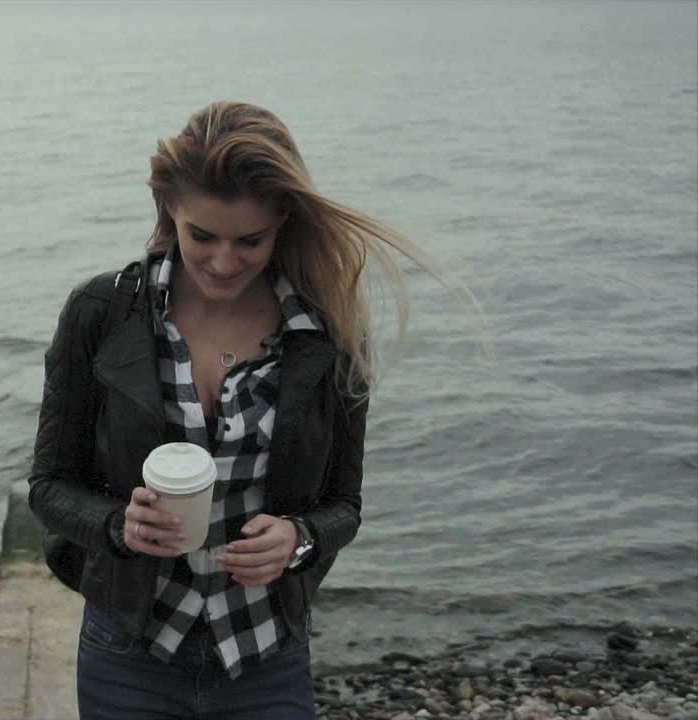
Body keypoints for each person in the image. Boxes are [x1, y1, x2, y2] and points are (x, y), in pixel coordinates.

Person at [28, 100, 448, 720]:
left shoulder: (327, 333)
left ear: (282, 221)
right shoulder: (101, 313)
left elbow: (344, 507)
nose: (224, 262)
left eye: (249, 240)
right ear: (169, 208)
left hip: (266, 653)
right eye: (203, 235)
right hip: (127, 650)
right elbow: (48, 486)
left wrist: (298, 540)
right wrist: (119, 525)